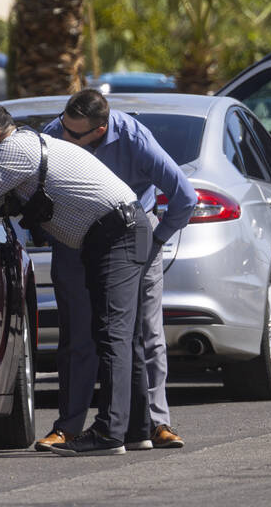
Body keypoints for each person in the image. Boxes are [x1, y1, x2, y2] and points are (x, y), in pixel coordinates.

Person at [0, 104, 152, 455]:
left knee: (112, 334)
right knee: (125, 337)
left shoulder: (14, 151)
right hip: (123, 230)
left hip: (117, 234)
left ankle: (108, 434)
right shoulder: (27, 147)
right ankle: (136, 430)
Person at [36, 89, 198, 451]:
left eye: (76, 135)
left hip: (129, 239)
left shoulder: (133, 138)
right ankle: (69, 427)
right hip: (75, 238)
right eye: (64, 127)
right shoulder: (53, 134)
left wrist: (156, 243)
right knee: (78, 333)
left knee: (144, 333)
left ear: (101, 129)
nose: (66, 138)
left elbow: (185, 196)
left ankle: (155, 423)